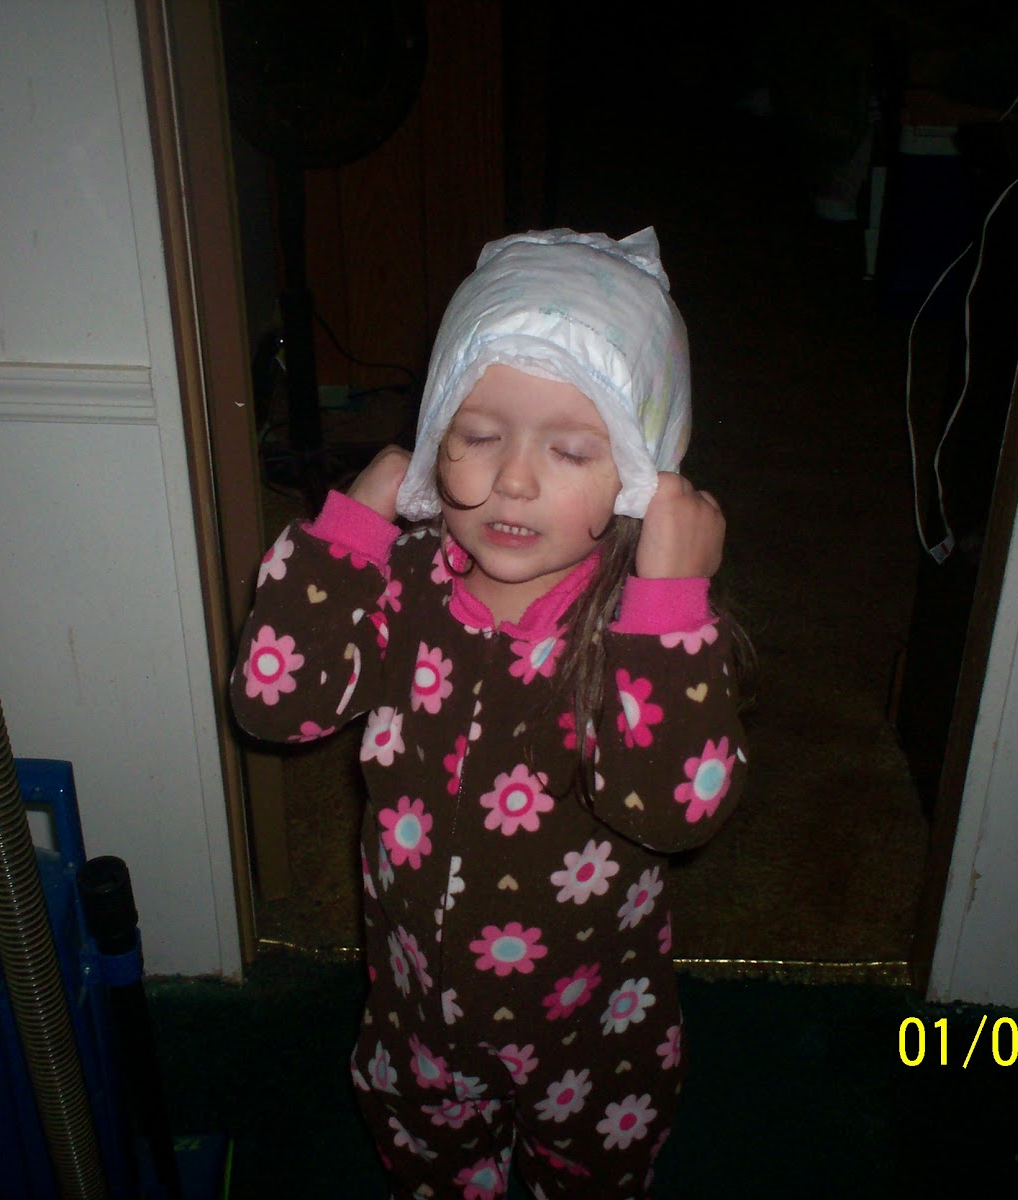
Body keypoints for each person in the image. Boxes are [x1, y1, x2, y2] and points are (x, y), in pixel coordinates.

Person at [230, 227, 749, 1198]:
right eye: (475, 434)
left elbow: (673, 813)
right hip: (416, 1008)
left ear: (643, 475)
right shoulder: (399, 581)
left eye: (572, 449)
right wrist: (354, 523)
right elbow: (273, 705)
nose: (513, 479)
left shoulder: (644, 628)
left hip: (594, 1024)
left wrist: (672, 601)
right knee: (428, 1163)